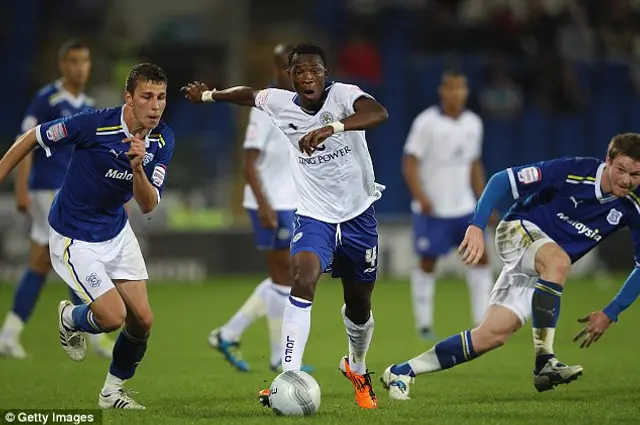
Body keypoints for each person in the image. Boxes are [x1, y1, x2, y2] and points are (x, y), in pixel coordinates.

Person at [182, 42, 388, 409]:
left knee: (359, 306)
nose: (307, 77)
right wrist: (210, 95)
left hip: (358, 216)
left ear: (326, 75)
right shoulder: (279, 103)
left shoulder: (343, 96)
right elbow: (249, 95)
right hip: (313, 215)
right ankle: (287, 375)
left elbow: (378, 113)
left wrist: (333, 128)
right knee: (303, 277)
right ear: (291, 77)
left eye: (314, 71)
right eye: (299, 72)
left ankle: (357, 368)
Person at [381, 133, 640, 399]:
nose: (626, 180)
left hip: (539, 265)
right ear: (608, 160)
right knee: (559, 262)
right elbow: (500, 180)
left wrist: (610, 313)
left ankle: (402, 371)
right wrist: (476, 226)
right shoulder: (574, 170)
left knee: (491, 336)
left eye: (635, 175)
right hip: (517, 230)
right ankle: (544, 361)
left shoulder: (632, 207)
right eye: (621, 169)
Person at [0, 63, 174, 410]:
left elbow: (148, 204)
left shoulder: (162, 139)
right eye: (147, 97)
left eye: (162, 98)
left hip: (116, 232)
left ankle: (111, 393)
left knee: (143, 321)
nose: (155, 106)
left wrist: (138, 166)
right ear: (129, 97)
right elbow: (33, 137)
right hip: (74, 235)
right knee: (112, 318)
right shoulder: (93, 124)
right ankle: (70, 317)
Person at [0, 40, 113, 359]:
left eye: (85, 61)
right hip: (46, 188)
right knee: (72, 255)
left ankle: (10, 333)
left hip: (70, 191)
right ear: (63, 64)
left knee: (44, 260)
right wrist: (21, 188)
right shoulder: (47, 98)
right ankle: (91, 326)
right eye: (74, 61)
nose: (81, 67)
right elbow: (25, 141)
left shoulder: (88, 104)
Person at [208, 43, 311, 373]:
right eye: (283, 67)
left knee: (286, 277)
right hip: (269, 203)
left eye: (293, 67)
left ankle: (228, 333)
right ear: (275, 69)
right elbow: (249, 164)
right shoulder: (263, 106)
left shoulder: (300, 105)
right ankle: (279, 357)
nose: (288, 73)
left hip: (292, 202)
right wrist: (265, 205)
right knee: (285, 277)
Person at [403, 70, 493, 339]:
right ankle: (424, 324)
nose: (456, 93)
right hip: (433, 209)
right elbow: (409, 161)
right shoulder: (426, 123)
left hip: (464, 207)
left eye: (461, 88)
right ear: (442, 91)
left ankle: (483, 320)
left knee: (481, 259)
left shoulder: (473, 123)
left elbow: (474, 164)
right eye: (451, 88)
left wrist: (483, 201)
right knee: (428, 262)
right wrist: (421, 196)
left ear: (466, 92)